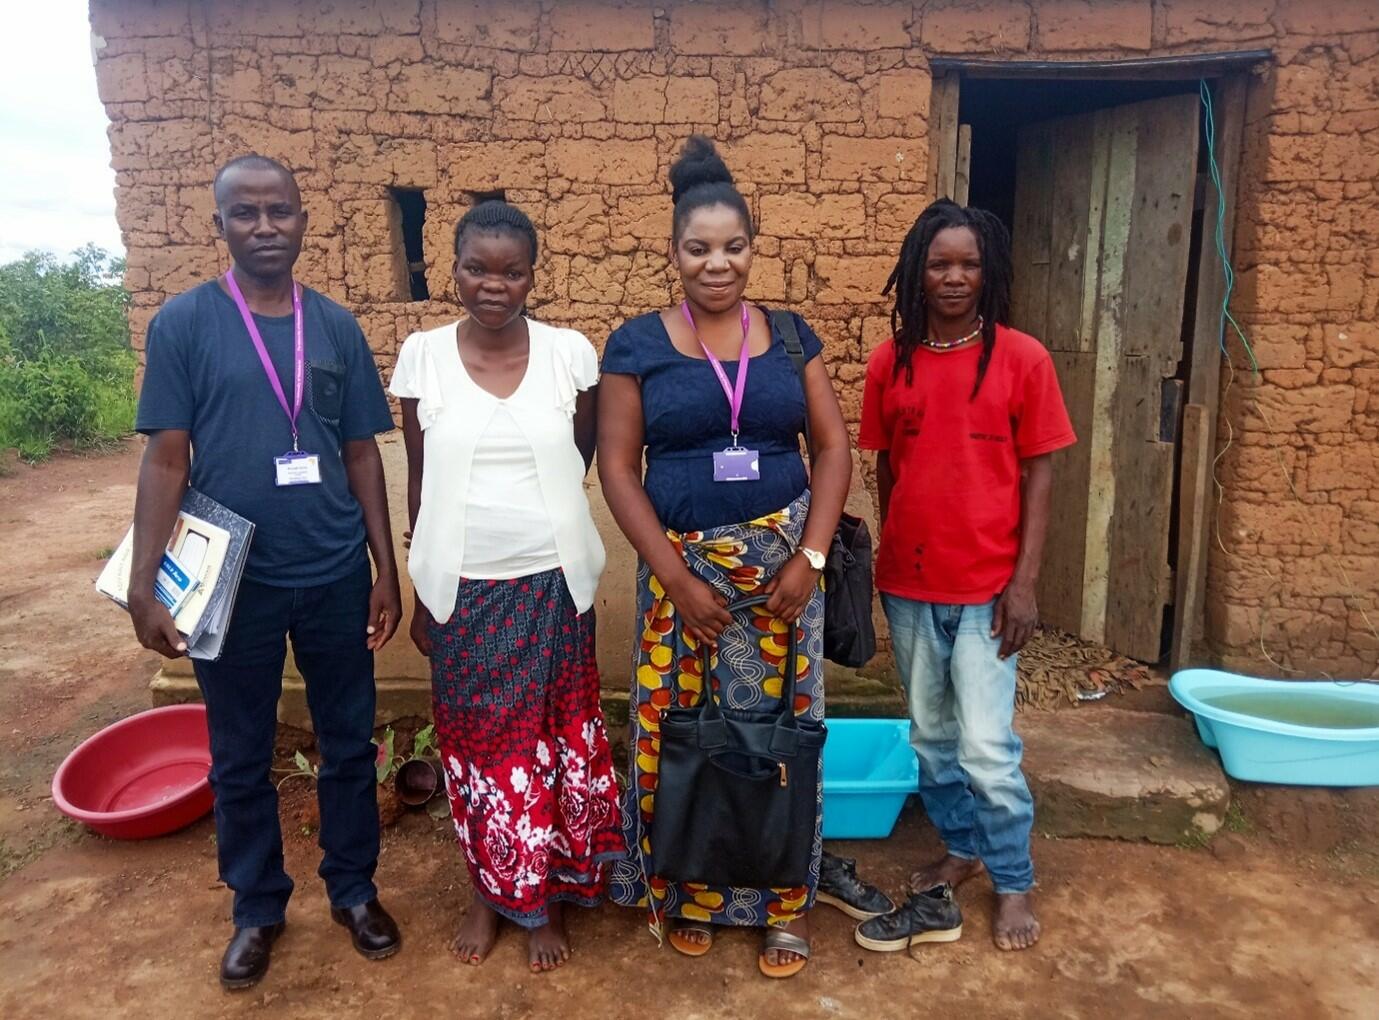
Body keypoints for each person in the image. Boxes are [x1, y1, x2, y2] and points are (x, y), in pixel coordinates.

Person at [128, 154, 403, 989]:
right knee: (238, 754)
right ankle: (257, 907)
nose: (263, 227)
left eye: (278, 211)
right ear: (220, 226)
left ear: (303, 220)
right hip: (231, 581)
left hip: (330, 571)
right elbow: (167, 459)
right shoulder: (183, 324)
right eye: (244, 214)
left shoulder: (336, 328)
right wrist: (144, 582)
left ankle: (354, 891)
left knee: (348, 741)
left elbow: (361, 452)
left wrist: (384, 567)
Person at [599, 135, 863, 979]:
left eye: (734, 247)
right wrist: (675, 580)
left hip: (785, 582)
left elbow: (830, 449)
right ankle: (688, 890)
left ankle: (785, 901)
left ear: (754, 248)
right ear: (671, 252)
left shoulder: (791, 337)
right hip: (682, 583)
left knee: (780, 733)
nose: (718, 265)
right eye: (698, 249)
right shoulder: (636, 344)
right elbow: (616, 467)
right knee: (684, 733)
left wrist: (810, 560)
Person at [389, 200, 624, 973]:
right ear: (452, 270)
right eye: (477, 268)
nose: (494, 284)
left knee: (551, 748)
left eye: (511, 270)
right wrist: (423, 590)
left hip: (554, 587)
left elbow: (579, 458)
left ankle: (548, 899)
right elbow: (419, 481)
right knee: (477, 752)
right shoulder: (422, 357)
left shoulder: (568, 355)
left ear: (532, 275)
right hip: (463, 589)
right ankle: (489, 893)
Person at [855, 199, 1076, 954]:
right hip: (911, 586)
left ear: (989, 272)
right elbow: (887, 463)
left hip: (988, 590)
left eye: (969, 263)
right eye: (940, 263)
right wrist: (897, 548)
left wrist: (1024, 583)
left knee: (986, 743)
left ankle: (1011, 880)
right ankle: (960, 848)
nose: (954, 277)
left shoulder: (1023, 359)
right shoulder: (892, 362)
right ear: (918, 271)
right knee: (932, 736)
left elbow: (1038, 476)